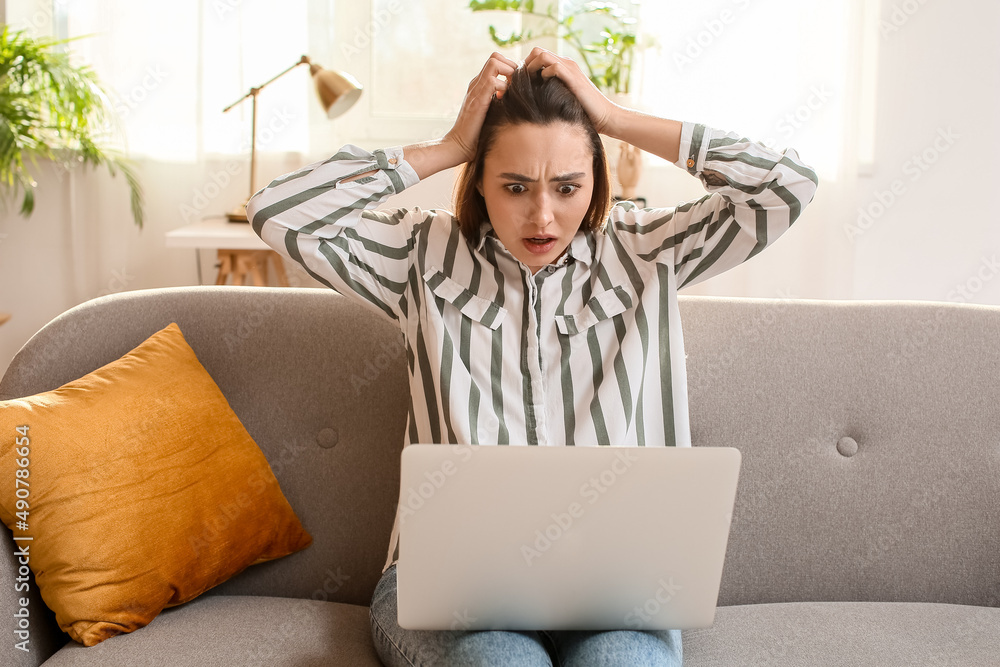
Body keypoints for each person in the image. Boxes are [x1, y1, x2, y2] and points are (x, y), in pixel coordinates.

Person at [247, 46, 818, 667]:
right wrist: (446, 148)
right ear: (480, 180)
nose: (543, 216)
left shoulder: (649, 248)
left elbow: (787, 186)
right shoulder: (420, 254)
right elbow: (279, 212)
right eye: (515, 186)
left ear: (595, 177)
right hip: (453, 590)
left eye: (567, 187)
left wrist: (615, 118)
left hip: (617, 590)